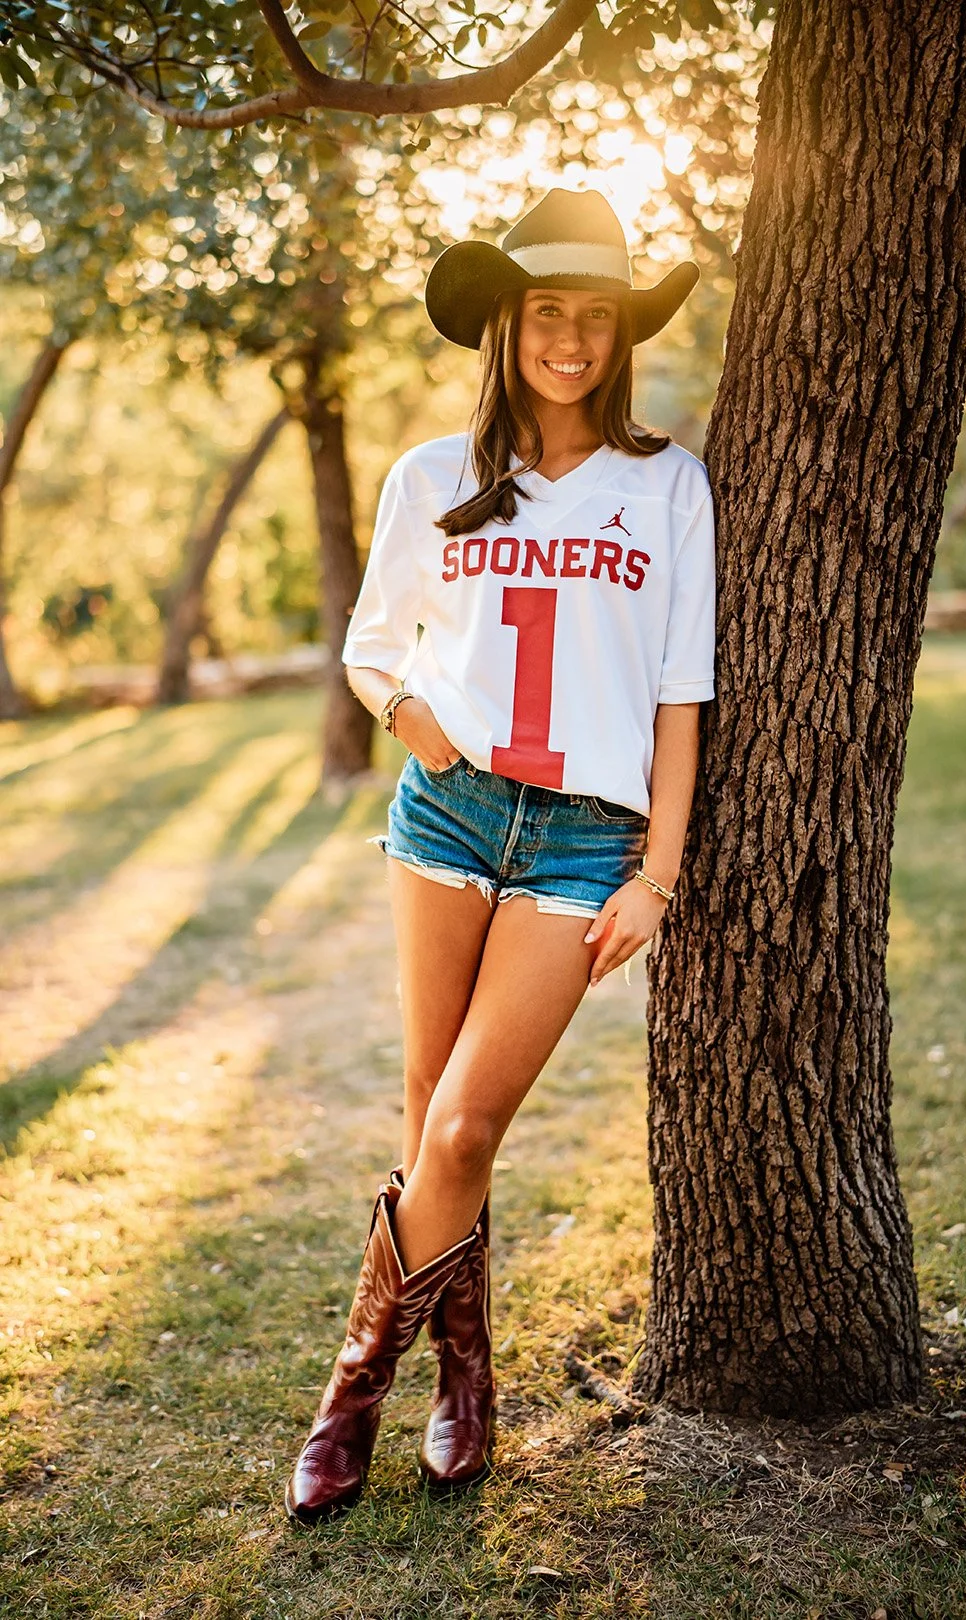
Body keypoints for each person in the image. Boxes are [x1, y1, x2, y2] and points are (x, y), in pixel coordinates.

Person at [285, 187, 716, 1523]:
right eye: (548, 315)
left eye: (597, 317)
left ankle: (349, 1392)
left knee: (466, 1124)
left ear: (621, 333)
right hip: (450, 818)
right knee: (432, 1125)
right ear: (507, 326)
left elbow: (681, 698)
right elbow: (371, 647)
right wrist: (405, 716)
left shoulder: (667, 483)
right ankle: (465, 1378)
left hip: (585, 841)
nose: (572, 340)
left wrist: (659, 873)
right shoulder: (430, 478)